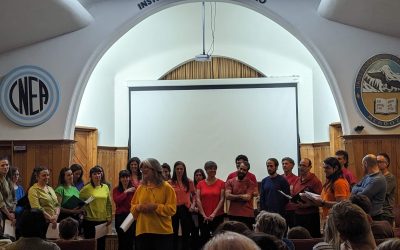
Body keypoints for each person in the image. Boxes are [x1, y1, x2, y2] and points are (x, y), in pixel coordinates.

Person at [130, 158, 176, 250]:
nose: (143, 170)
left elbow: (172, 209)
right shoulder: (141, 188)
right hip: (142, 231)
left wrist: (155, 207)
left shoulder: (167, 187)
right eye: (142, 168)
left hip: (162, 232)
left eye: (146, 167)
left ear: (155, 169)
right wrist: (138, 208)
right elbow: (133, 207)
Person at [80, 166, 112, 250]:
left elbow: (108, 203)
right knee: (89, 245)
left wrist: (109, 217)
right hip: (89, 221)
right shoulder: (86, 188)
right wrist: (83, 209)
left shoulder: (105, 187)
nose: (97, 175)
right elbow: (79, 202)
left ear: (101, 175)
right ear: (91, 176)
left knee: (101, 245)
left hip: (102, 221)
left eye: (99, 173)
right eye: (94, 174)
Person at [196, 161, 225, 247]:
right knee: (204, 239)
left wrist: (213, 214)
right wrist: (203, 214)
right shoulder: (200, 184)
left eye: (214, 168)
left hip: (218, 216)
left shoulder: (221, 183)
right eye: (210, 168)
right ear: (206, 170)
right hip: (203, 216)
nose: (213, 170)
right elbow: (198, 199)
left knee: (218, 239)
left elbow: (222, 199)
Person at [291, 158, 322, 237]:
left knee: (311, 238)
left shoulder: (315, 181)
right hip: (297, 214)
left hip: (310, 216)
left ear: (310, 167)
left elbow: (320, 200)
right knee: (298, 239)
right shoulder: (297, 180)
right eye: (300, 165)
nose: (301, 167)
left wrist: (308, 204)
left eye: (304, 165)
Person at [351, 154, 386, 221]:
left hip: (375, 217)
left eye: (362, 165)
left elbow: (360, 197)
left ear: (365, 163)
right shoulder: (367, 176)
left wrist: (359, 189)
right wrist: (362, 189)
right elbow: (354, 188)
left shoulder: (378, 179)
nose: (362, 167)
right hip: (366, 216)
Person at [169, 161, 195, 250]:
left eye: (181, 169)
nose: (179, 170)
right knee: (173, 232)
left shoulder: (189, 181)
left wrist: (193, 205)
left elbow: (194, 195)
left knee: (186, 232)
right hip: (174, 209)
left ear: (184, 170)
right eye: (177, 169)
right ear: (174, 170)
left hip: (186, 208)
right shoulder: (169, 182)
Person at [225, 161, 257, 230]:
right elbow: (227, 196)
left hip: (247, 215)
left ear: (247, 171)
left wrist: (233, 196)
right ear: (238, 168)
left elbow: (248, 197)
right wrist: (241, 196)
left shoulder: (250, 183)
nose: (242, 171)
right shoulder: (230, 181)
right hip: (233, 214)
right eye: (241, 168)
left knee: (248, 236)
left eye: (244, 170)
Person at [28, 166, 60, 232]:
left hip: (53, 221)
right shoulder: (33, 190)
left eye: (48, 175)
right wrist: (50, 218)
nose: (47, 177)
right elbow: (36, 208)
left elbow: (57, 204)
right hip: (41, 222)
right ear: (37, 177)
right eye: (44, 175)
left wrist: (56, 216)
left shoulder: (50, 188)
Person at [113, 170, 135, 250]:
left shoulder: (134, 189)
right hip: (120, 217)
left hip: (131, 216)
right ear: (120, 179)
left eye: (127, 177)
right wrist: (126, 192)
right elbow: (117, 201)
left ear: (129, 178)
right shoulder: (116, 190)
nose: (125, 179)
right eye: (123, 177)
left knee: (130, 241)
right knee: (122, 240)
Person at [377, 152, 396, 225]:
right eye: (376, 161)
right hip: (376, 212)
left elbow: (381, 193)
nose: (378, 163)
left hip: (386, 213)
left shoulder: (390, 177)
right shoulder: (375, 177)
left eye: (380, 162)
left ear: (387, 163)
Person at [281, 157, 298, 228]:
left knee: (294, 232)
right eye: (283, 164)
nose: (284, 165)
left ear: (292, 165)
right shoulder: (279, 178)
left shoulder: (297, 179)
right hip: (281, 209)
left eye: (286, 164)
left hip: (292, 210)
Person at [191, 168, 206, 250]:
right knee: (194, 232)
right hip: (193, 213)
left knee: (203, 233)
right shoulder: (191, 186)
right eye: (196, 175)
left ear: (203, 176)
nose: (198, 177)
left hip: (203, 213)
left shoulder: (206, 186)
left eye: (200, 175)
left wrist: (199, 209)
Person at [0, 157, 16, 228]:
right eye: (2, 165)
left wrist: (13, 212)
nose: (5, 167)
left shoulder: (8, 180)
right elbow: (0, 202)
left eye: (7, 165)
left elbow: (14, 199)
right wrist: (9, 215)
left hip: (10, 211)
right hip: (2, 212)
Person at [10, 167, 24, 239]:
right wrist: (12, 214)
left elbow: (23, 202)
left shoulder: (20, 188)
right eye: (14, 174)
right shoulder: (8, 187)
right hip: (11, 215)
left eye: (18, 174)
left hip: (21, 215)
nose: (16, 176)